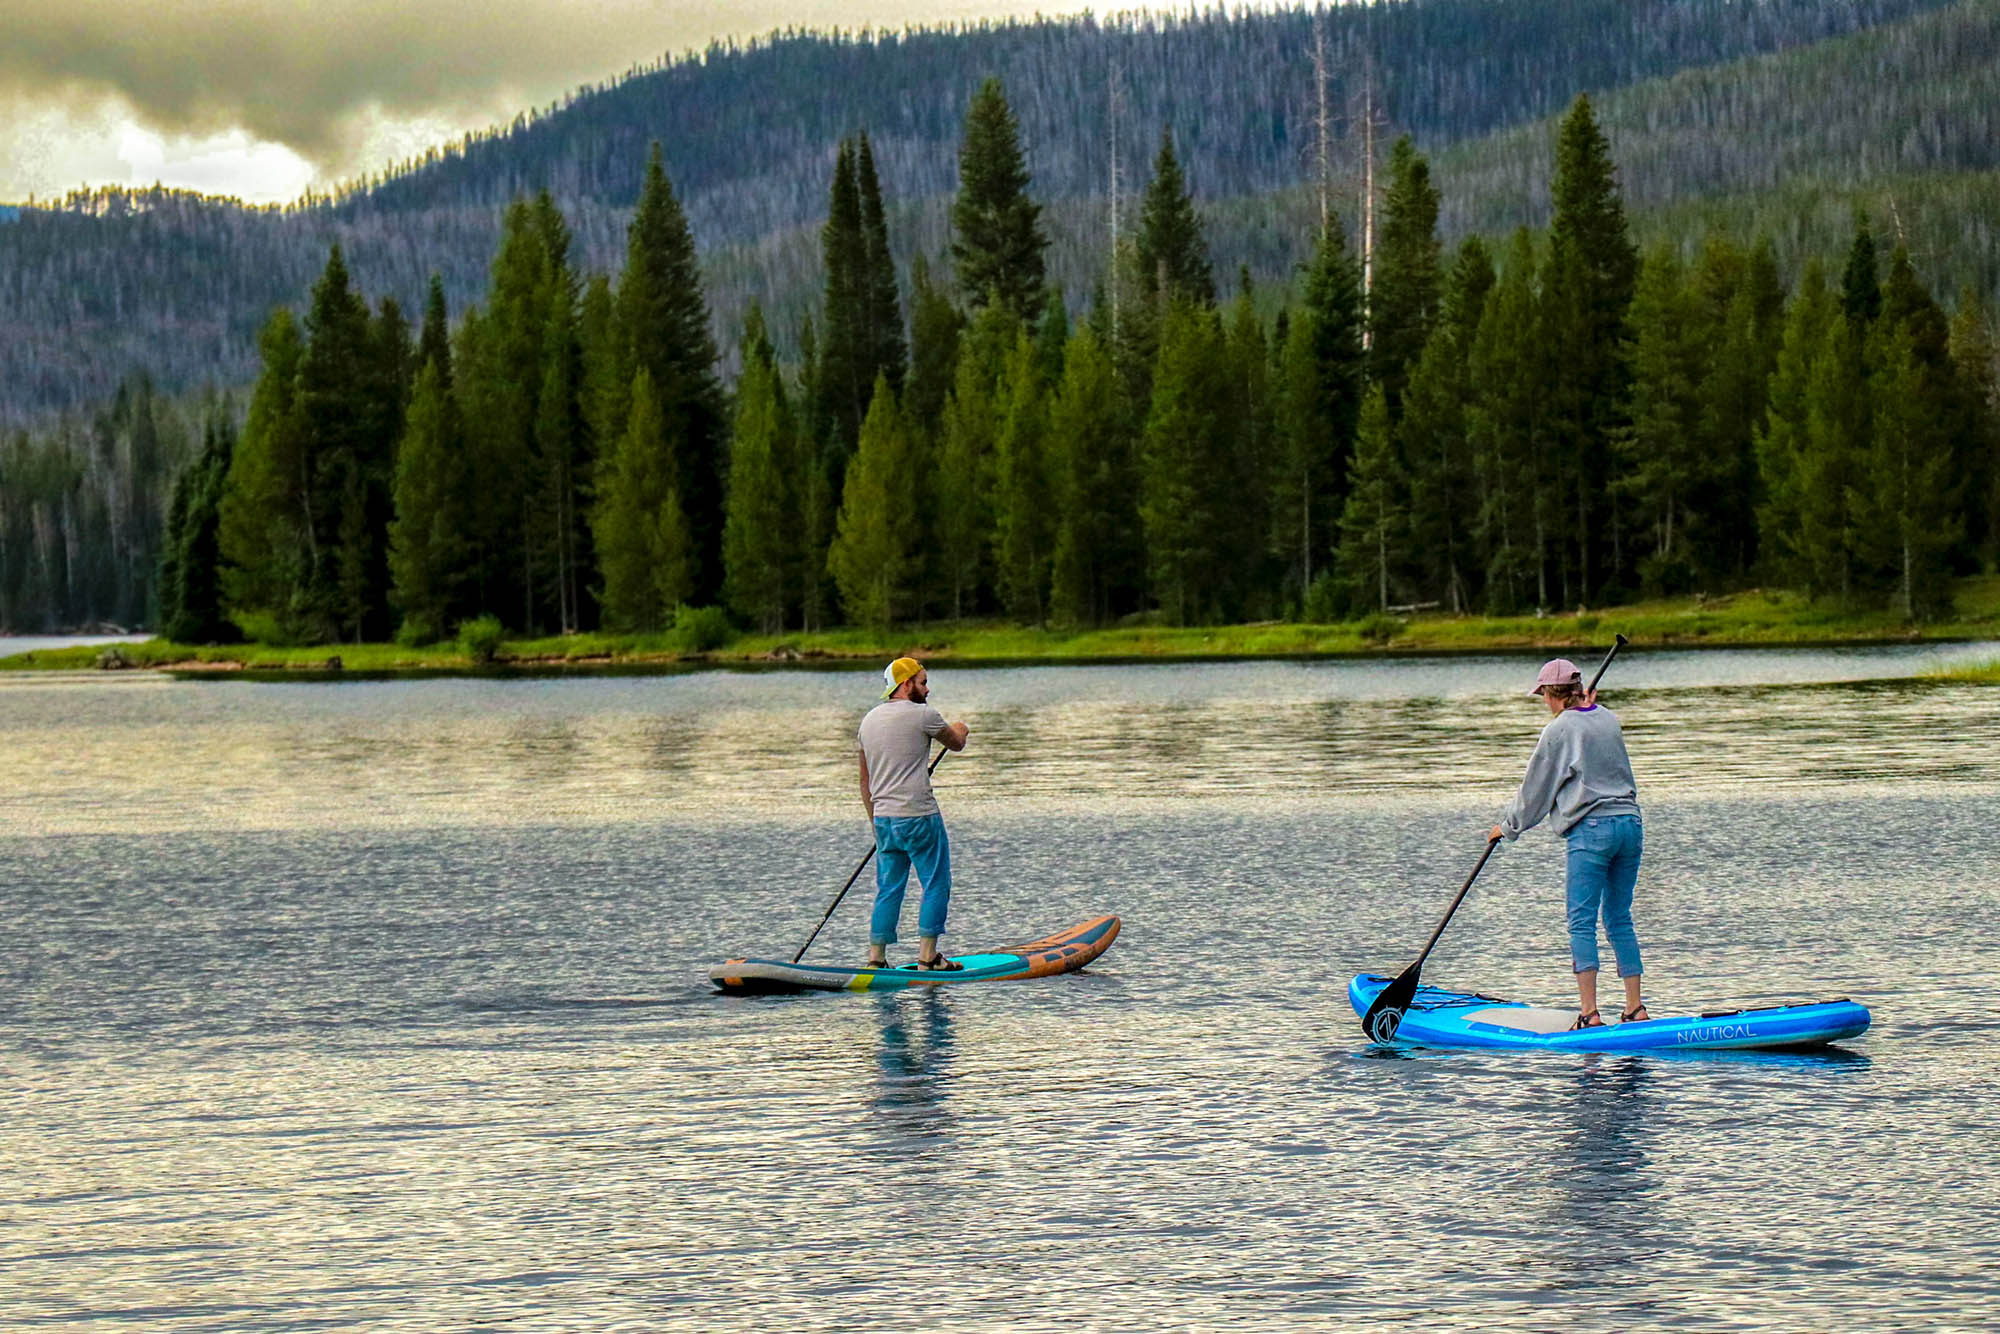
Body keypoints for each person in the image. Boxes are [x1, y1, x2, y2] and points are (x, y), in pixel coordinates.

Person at [1488, 658, 1648, 1029]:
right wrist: (1589, 707)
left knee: (1581, 922)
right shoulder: (1608, 718)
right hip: (1630, 825)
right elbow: (1591, 723)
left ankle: (1590, 1014)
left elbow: (1535, 792)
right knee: (1619, 917)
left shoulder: (1558, 730)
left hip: (1592, 831)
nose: (1542, 701)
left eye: (1543, 694)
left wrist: (1507, 828)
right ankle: (1635, 1008)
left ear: (1549, 693)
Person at [858, 657, 969, 970]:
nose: (927, 687)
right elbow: (956, 743)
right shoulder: (924, 715)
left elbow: (864, 781)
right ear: (905, 684)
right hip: (919, 816)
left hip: (884, 820)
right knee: (936, 882)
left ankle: (876, 960)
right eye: (922, 682)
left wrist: (876, 823)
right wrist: (960, 728)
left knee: (889, 887)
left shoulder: (867, 722)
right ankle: (928, 957)